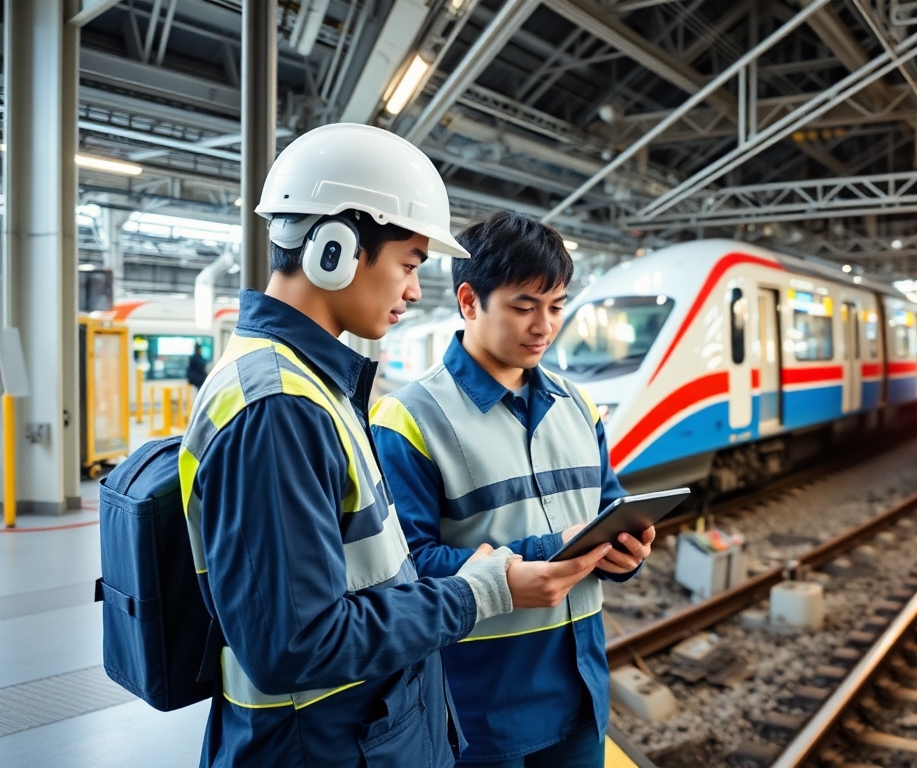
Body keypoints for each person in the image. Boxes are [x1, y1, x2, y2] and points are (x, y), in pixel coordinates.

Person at [178, 125, 609, 768]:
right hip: (317, 746)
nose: (413, 289)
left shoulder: (310, 387)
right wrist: (483, 591)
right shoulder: (279, 407)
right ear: (337, 248)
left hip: (350, 736)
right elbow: (295, 644)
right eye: (408, 263)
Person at [372, 212, 654, 767]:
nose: (544, 326)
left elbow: (607, 511)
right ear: (470, 301)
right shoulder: (407, 418)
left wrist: (627, 552)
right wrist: (551, 549)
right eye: (524, 307)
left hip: (580, 691)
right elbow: (402, 571)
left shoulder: (578, 406)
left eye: (556, 306)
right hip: (475, 711)